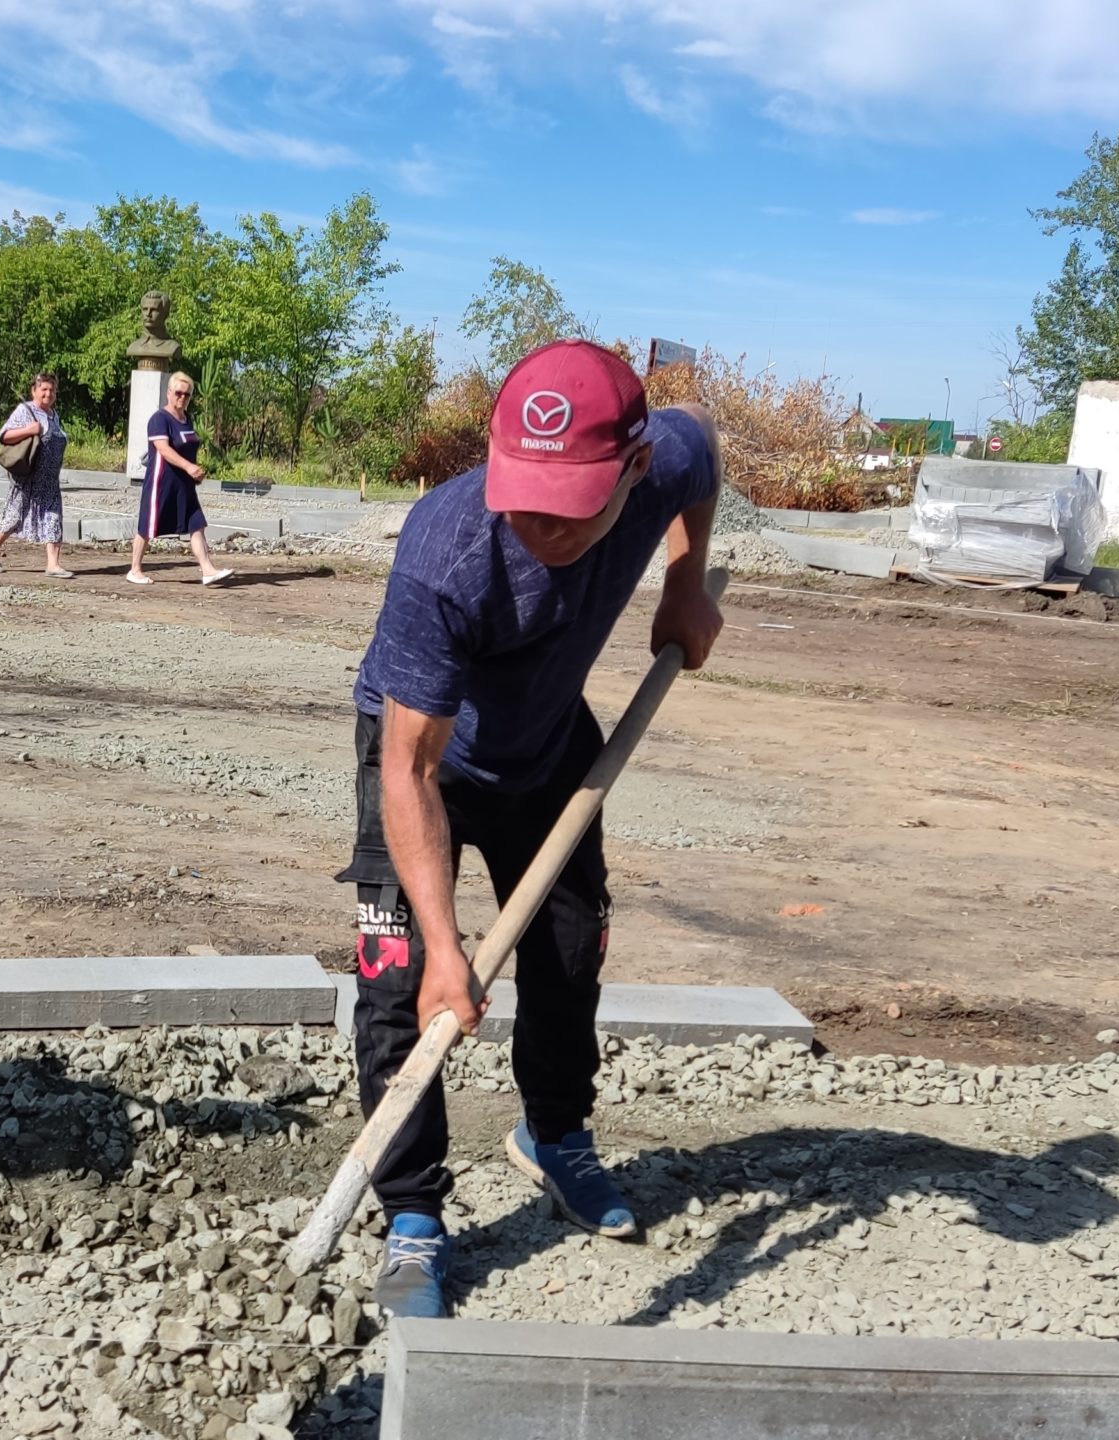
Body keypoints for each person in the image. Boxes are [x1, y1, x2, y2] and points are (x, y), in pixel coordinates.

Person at [340, 339, 725, 1320]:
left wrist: (686, 581)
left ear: (631, 469)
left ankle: (554, 1136)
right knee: (399, 985)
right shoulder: (446, 551)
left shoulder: (662, 460)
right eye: (523, 494)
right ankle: (412, 1213)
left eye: (569, 503)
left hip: (550, 745)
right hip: (422, 759)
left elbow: (702, 452)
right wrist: (441, 944)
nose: (540, 524)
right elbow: (409, 767)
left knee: (567, 955)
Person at [127, 372, 232, 586]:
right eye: (178, 393)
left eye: (187, 394)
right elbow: (163, 449)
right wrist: (189, 467)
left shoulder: (187, 419)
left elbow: (188, 448)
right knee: (148, 526)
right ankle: (134, 569)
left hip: (184, 484)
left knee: (196, 524)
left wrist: (195, 472)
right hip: (161, 482)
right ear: (169, 393)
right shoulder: (159, 419)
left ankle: (207, 569)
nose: (182, 397)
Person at [0, 371, 72, 578]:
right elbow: (4, 436)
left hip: (49, 480)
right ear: (34, 391)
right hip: (27, 478)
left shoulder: (53, 415)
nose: (48, 394)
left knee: (53, 518)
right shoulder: (25, 411)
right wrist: (30, 430)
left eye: (52, 390)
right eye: (44, 389)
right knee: (14, 517)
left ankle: (53, 564)